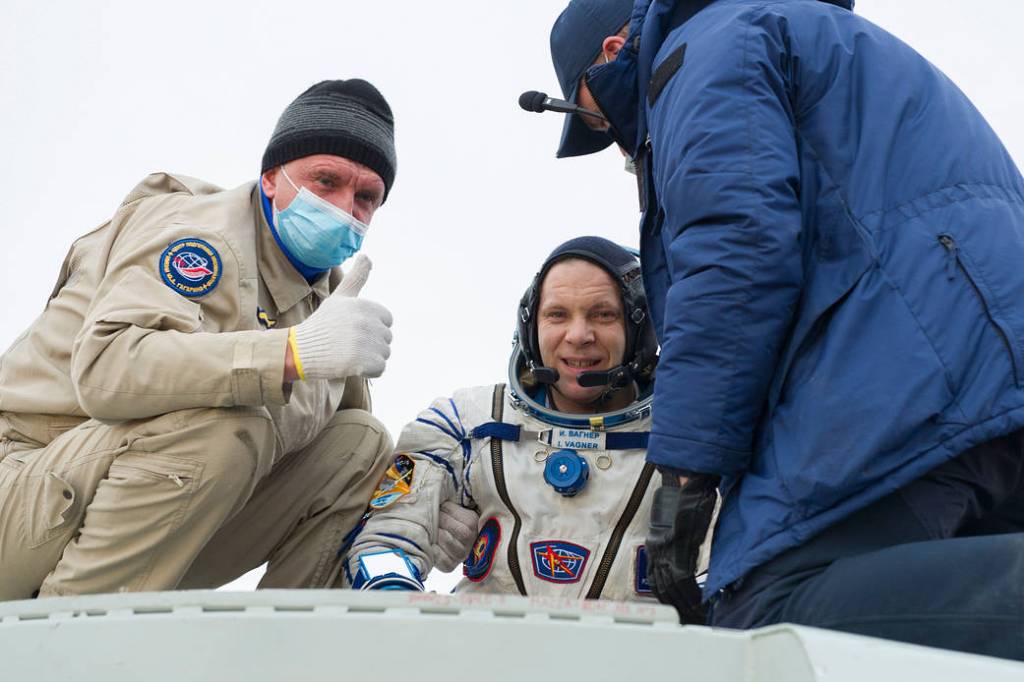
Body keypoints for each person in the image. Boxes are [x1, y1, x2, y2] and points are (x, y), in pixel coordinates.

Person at [538, 0, 1024, 659]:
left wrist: (685, 473)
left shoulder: (700, 52)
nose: (620, 143)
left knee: (768, 615)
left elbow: (736, 254)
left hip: (917, 372)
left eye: (594, 117)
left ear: (613, 48)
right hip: (982, 363)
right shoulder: (805, 33)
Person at [0, 79, 409, 598]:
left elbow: (352, 471)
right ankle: (64, 645)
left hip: (154, 526)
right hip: (25, 490)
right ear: (270, 180)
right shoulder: (198, 234)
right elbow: (106, 369)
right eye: (326, 181)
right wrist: (288, 353)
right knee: (228, 427)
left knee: (363, 442)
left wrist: (423, 516)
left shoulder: (328, 300)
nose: (344, 207)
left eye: (366, 196)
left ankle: (285, 650)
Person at [342, 237, 712, 603]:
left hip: (640, 652)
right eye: (557, 315)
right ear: (530, 327)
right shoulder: (467, 423)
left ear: (641, 329)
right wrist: (396, 592)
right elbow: (387, 537)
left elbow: (728, 572)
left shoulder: (692, 434)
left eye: (603, 314)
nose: (578, 335)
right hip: (492, 649)